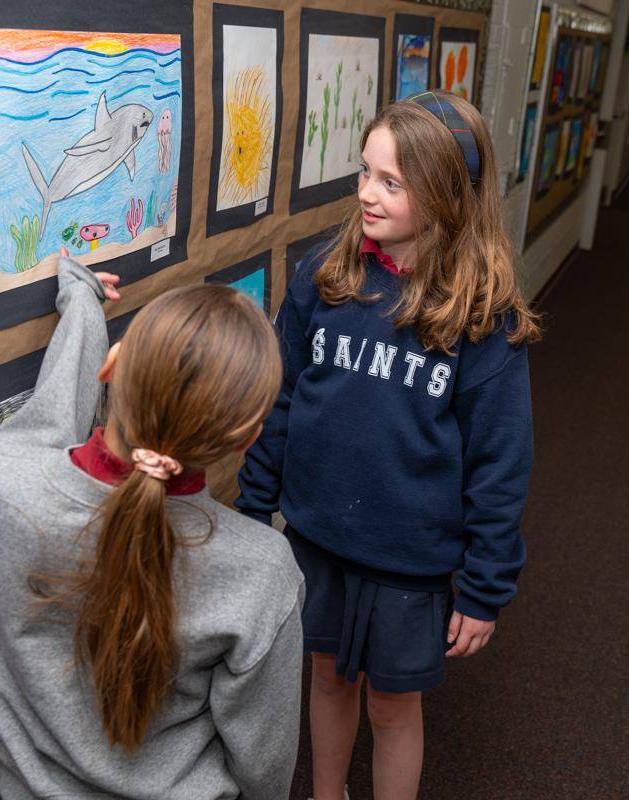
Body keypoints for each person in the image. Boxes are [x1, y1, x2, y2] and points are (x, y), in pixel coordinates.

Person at [236, 91, 542, 800]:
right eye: (365, 172)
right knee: (326, 678)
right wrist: (253, 513)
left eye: (391, 183)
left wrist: (485, 587)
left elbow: (501, 464)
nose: (366, 193)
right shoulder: (325, 276)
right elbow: (280, 402)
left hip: (410, 559)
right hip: (316, 538)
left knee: (393, 707)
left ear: (445, 197)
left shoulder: (484, 321)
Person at [0, 252, 305, 800]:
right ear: (247, 438)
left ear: (111, 366)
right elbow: (263, 758)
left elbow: (48, 424)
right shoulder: (263, 570)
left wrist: (81, 303)